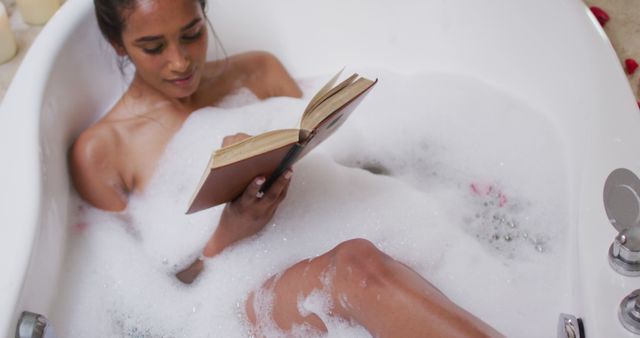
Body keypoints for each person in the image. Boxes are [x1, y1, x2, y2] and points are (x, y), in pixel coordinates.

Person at [70, 0, 503, 337]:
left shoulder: (258, 72)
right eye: (153, 47)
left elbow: (334, 157)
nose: (180, 60)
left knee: (385, 258)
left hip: (328, 227)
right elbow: (156, 303)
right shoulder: (102, 153)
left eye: (192, 33)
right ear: (117, 45)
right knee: (357, 268)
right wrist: (229, 234)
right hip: (226, 297)